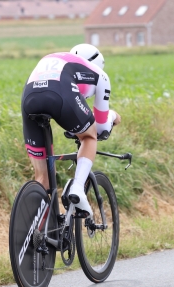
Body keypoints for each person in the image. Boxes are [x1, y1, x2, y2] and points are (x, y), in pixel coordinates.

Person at [21, 44, 121, 218]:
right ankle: (77, 189)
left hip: (30, 98)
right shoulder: (100, 74)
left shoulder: (60, 60)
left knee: (41, 178)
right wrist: (113, 116)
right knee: (89, 137)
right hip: (60, 93)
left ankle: (38, 232)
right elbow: (102, 126)